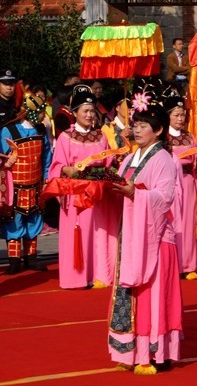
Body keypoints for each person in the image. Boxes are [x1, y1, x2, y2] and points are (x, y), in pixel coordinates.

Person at [108, 98, 181, 375]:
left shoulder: (163, 159)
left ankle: (156, 352)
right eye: (135, 125)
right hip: (131, 233)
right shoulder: (129, 158)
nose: (137, 131)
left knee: (153, 294)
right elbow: (118, 182)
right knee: (131, 292)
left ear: (159, 130)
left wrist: (135, 193)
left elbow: (165, 197)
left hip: (156, 236)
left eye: (143, 126)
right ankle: (130, 351)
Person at [49, 85, 119, 289]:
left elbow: (107, 162)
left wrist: (116, 160)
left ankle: (99, 273)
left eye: (92, 111)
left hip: (98, 195)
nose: (89, 115)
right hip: (77, 195)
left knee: (99, 233)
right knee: (78, 234)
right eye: (85, 111)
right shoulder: (65, 137)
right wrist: (66, 169)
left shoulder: (101, 136)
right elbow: (56, 166)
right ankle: (77, 277)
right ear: (75, 113)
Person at [1, 94, 53, 274]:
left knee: (34, 218)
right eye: (39, 112)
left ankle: (31, 258)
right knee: (13, 221)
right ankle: (14, 261)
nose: (42, 116)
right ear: (29, 112)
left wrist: (47, 177)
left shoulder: (40, 131)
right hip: (14, 185)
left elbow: (46, 156)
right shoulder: (9, 130)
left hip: (36, 184)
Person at [163, 91, 197, 281]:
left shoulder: (189, 137)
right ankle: (172, 264)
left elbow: (195, 160)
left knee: (188, 222)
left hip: (187, 181)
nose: (181, 119)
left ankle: (188, 264)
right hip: (169, 183)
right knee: (171, 223)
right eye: (176, 115)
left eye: (183, 115)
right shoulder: (162, 139)